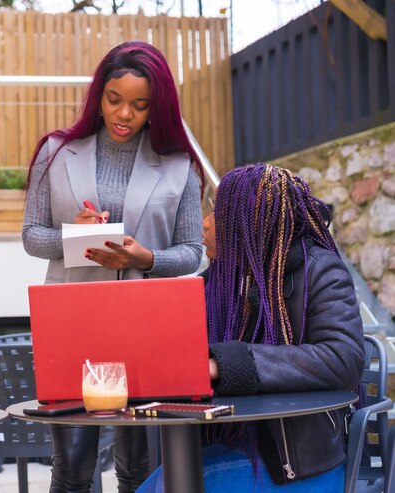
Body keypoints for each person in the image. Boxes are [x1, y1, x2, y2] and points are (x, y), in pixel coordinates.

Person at [22, 41, 204, 493]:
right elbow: (31, 236)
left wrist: (146, 258)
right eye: (114, 100)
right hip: (72, 320)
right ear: (97, 97)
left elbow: (194, 251)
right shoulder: (57, 152)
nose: (125, 114)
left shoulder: (180, 165)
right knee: (71, 469)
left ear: (156, 108)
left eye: (140, 106)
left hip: (146, 326)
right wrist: (74, 234)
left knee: (140, 469)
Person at [137, 163, 365, 492]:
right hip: (233, 449)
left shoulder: (321, 272)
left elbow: (342, 358)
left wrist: (227, 363)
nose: (205, 222)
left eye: (217, 212)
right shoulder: (222, 281)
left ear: (248, 222)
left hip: (298, 466)